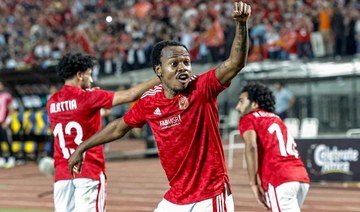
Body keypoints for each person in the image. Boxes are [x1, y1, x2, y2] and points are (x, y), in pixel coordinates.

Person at [68, 2, 251, 211]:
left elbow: (235, 63)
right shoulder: (149, 102)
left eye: (186, 62)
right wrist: (82, 148)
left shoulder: (201, 88)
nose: (183, 68)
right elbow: (119, 127)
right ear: (159, 70)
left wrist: (241, 25)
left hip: (210, 195)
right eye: (175, 63)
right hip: (176, 197)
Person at [46, 52, 160, 212]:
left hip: (62, 175)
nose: (91, 80)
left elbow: (75, 115)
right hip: (88, 170)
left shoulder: (52, 102)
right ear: (80, 75)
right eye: (89, 75)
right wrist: (161, 77)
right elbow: (131, 94)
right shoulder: (90, 96)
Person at [235, 82, 310, 211]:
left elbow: (251, 146)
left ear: (254, 104)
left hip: (280, 178)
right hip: (301, 177)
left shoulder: (248, 118)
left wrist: (253, 183)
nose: (237, 107)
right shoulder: (276, 118)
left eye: (241, 102)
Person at [0, 81, 16, 169]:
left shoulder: (6, 96)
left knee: (8, 141)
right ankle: (1, 158)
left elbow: (11, 109)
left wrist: (7, 121)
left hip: (4, 123)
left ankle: (11, 157)